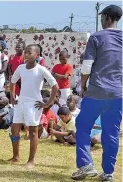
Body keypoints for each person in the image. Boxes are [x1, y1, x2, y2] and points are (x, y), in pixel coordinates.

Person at [72, 5, 121, 181]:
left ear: (106, 17)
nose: (101, 20)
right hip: (118, 94)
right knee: (112, 132)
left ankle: (86, 165)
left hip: (97, 91)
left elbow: (87, 66)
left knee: (83, 125)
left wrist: (82, 87)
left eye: (102, 17)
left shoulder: (97, 37)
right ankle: (108, 173)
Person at [8, 44, 58, 169]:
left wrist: (49, 102)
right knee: (15, 129)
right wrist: (12, 96)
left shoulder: (41, 70)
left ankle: (31, 160)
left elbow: (55, 86)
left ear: (37, 55)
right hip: (21, 102)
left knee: (33, 133)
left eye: (29, 52)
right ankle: (15, 156)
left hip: (34, 104)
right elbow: (13, 81)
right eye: (25, 52)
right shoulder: (20, 68)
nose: (26, 54)